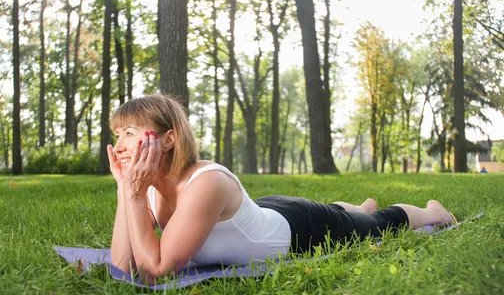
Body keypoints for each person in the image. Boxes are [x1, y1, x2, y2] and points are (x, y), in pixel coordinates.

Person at [107, 94, 456, 284]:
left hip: (302, 229)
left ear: (169, 139)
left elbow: (154, 271)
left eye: (132, 133)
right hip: (267, 210)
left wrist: (133, 193)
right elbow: (122, 266)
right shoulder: (147, 188)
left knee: (375, 225)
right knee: (339, 212)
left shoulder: (206, 182)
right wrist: (126, 188)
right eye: (118, 135)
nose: (120, 146)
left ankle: (429, 212)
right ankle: (353, 207)